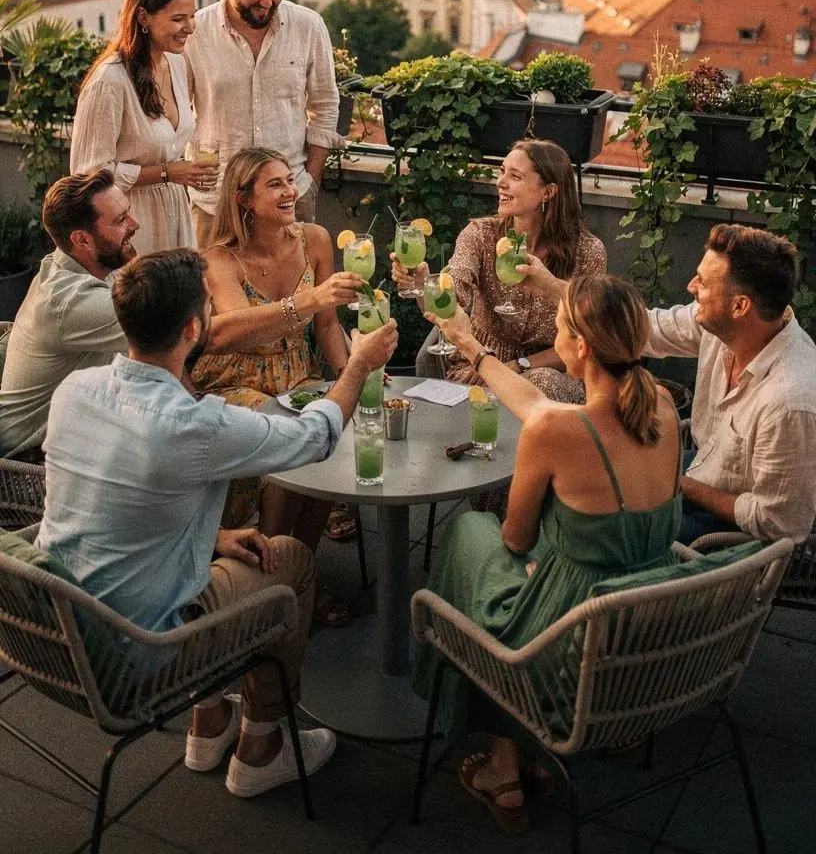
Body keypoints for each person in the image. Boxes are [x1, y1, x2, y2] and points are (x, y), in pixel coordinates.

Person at [37, 247, 397, 799]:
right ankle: (262, 746)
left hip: (61, 629)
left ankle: (209, 726)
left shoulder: (73, 393)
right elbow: (316, 437)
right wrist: (358, 365)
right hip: (141, 653)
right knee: (292, 561)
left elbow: (120, 503)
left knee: (230, 550)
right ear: (193, 328)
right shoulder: (193, 424)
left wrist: (216, 536)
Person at [411, 274, 682, 834]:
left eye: (559, 325)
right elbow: (536, 403)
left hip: (571, 642)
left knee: (471, 537)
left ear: (579, 348)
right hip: (647, 623)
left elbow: (515, 540)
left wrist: (536, 561)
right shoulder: (661, 406)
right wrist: (471, 347)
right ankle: (519, 758)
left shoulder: (555, 432)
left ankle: (503, 766)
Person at [521, 224, 816, 547]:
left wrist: (681, 484)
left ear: (740, 306)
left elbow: (778, 523)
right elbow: (641, 327)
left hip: (724, 538)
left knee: (590, 527)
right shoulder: (726, 327)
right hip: (698, 470)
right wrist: (552, 286)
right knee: (581, 477)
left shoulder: (789, 401)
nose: (690, 286)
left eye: (702, 283)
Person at [189, 147, 363, 621]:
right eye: (275, 185)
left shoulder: (315, 239)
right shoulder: (219, 259)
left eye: (290, 181)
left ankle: (297, 576)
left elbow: (327, 326)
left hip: (297, 374)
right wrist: (306, 300)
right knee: (283, 444)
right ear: (243, 198)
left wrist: (353, 380)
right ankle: (266, 585)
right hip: (235, 379)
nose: (290, 192)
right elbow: (238, 326)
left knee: (324, 440)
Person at [392, 140, 606, 398]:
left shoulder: (588, 252)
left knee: (543, 381)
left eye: (515, 176)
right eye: (502, 171)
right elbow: (451, 296)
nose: (500, 182)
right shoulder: (480, 236)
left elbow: (589, 338)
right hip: (477, 367)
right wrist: (424, 284)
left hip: (554, 371)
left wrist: (518, 366)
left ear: (548, 192)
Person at [184, 0, 341, 245]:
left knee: (298, 291)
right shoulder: (195, 32)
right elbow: (174, 115)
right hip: (215, 202)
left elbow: (325, 105)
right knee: (213, 292)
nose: (266, 3)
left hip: (289, 198)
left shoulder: (308, 26)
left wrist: (310, 180)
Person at [71, 0, 216, 255]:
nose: (190, 27)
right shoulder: (109, 82)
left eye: (192, 16)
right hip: (131, 220)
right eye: (178, 19)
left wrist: (176, 173)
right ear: (142, 17)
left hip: (175, 213)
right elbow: (88, 174)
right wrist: (166, 172)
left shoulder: (176, 63)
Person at [0, 169, 137, 458]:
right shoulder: (71, 301)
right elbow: (180, 329)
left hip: (77, 429)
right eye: (121, 220)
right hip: (31, 460)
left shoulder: (77, 264)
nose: (135, 224)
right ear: (83, 240)